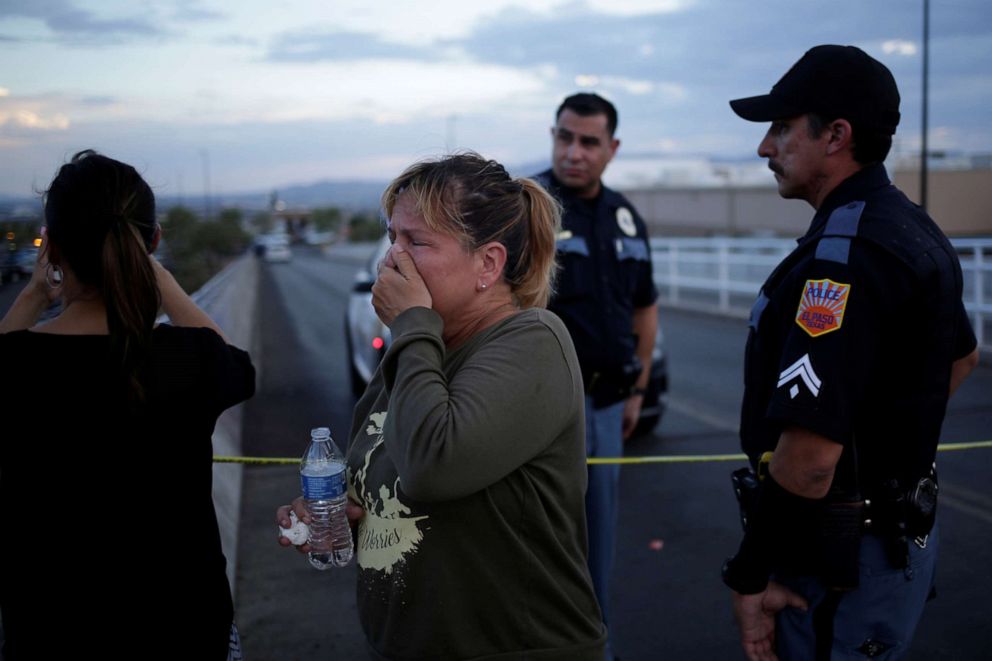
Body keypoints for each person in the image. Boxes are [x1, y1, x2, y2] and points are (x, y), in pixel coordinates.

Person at [277, 152, 606, 660]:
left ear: (488, 264)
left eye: (417, 242)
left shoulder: (533, 342)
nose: (393, 259)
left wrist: (410, 324)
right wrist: (339, 513)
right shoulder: (421, 352)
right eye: (392, 238)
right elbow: (391, 473)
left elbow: (434, 465)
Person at [721, 45, 980, 660]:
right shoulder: (909, 225)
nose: (765, 148)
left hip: (842, 563)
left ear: (837, 135)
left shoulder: (844, 259)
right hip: (889, 542)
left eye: (782, 128)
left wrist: (751, 575)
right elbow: (959, 358)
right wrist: (886, 446)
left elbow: (810, 459)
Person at [0, 150, 255, 659]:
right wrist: (161, 279)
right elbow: (235, 365)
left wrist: (30, 297)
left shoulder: (16, 364)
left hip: (49, 633)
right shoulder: (188, 359)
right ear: (153, 242)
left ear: (51, 247)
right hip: (184, 629)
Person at [534, 92, 659, 645]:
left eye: (588, 142)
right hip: (541, 411)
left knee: (598, 541)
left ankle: (593, 647)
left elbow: (644, 307)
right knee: (538, 542)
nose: (574, 152)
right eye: (565, 137)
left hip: (607, 405)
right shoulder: (525, 207)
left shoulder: (626, 218)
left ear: (612, 148)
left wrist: (638, 388)